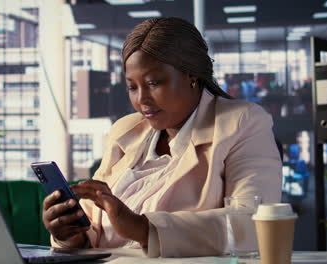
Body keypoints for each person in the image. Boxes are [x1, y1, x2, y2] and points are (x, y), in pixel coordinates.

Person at [42, 17, 282, 258]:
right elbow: (93, 230)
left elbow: (254, 222)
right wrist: (72, 235)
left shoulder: (242, 122)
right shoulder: (125, 131)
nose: (142, 100)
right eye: (132, 87)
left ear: (192, 76)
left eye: (154, 83)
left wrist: (143, 228)